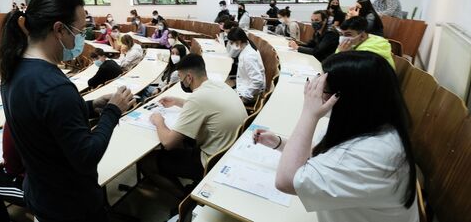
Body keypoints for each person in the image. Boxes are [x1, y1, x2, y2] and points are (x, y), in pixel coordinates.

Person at [0, 0, 135, 222]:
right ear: (59, 29)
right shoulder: (55, 87)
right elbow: (86, 157)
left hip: (42, 193)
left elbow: (44, 120)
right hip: (70, 203)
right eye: (80, 31)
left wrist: (90, 107)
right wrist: (113, 111)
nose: (82, 38)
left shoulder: (14, 69)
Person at [255, 51, 417, 222]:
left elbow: (286, 180)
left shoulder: (375, 154)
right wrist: (279, 143)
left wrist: (309, 113)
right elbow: (321, 154)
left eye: (325, 87)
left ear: (352, 99)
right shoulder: (369, 124)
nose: (317, 92)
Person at [141, 54, 246, 197]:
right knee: (183, 141)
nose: (181, 81)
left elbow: (168, 143)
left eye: (181, 77)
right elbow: (207, 107)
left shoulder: (198, 98)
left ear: (189, 77)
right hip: (230, 152)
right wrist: (178, 102)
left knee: (147, 162)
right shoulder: (220, 85)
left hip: (211, 161)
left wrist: (159, 121)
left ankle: (184, 198)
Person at [227, 28, 265, 106]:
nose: (231, 45)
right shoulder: (246, 47)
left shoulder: (248, 56)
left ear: (238, 41)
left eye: (231, 42)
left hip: (250, 95)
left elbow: (257, 81)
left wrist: (244, 97)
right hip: (245, 87)